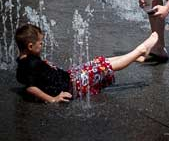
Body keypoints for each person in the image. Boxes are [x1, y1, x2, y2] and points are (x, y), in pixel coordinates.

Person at [15, 23, 158, 103]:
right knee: (104, 67)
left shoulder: (25, 60)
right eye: (41, 43)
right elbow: (31, 88)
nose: (43, 45)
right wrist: (53, 99)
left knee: (100, 62)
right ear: (30, 46)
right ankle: (140, 50)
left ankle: (134, 56)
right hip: (72, 86)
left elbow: (28, 80)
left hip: (70, 77)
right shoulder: (30, 64)